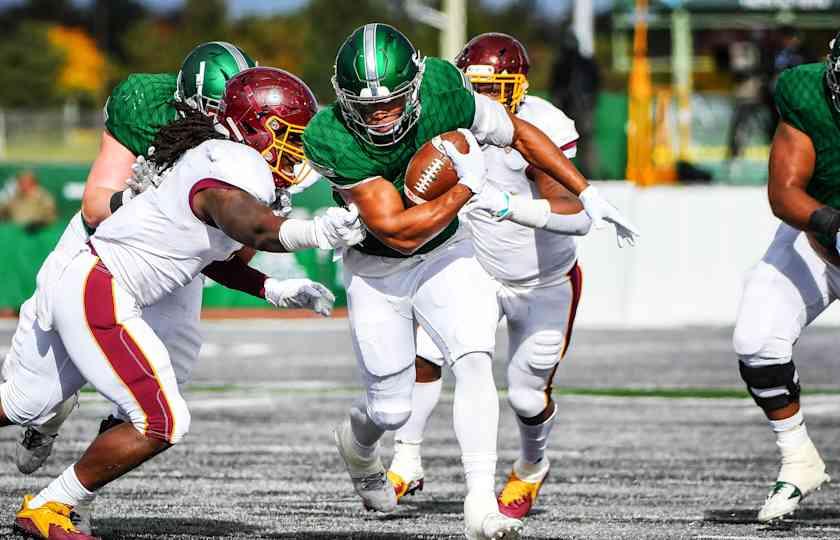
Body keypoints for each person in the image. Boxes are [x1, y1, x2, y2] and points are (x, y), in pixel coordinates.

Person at [303, 23, 637, 540]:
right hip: (378, 265)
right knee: (390, 406)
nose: (382, 115)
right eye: (367, 107)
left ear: (416, 85)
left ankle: (480, 503)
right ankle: (359, 445)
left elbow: (518, 132)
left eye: (393, 101)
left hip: (454, 253)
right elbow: (397, 233)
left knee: (474, 356)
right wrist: (469, 189)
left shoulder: (442, 90)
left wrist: (587, 193)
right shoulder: (328, 135)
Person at [3, 66, 363, 540]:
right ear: (254, 129)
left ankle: (56, 502)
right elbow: (249, 226)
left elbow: (202, 256)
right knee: (161, 419)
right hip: (102, 288)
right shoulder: (231, 164)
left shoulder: (219, 160)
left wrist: (271, 289)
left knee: (23, 401)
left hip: (95, 284)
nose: (298, 153)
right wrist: (313, 232)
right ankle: (51, 506)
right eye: (290, 137)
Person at [12, 41, 263, 484]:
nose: (228, 127)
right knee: (29, 400)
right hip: (102, 247)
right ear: (187, 108)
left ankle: (77, 491)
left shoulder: (259, 130)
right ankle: (45, 418)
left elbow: (239, 251)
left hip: (173, 261)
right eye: (215, 116)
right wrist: (146, 197)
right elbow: (93, 207)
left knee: (162, 386)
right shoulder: (144, 103)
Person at [387, 32, 590, 522]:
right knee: (427, 353)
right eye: (478, 88)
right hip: (474, 266)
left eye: (498, 87)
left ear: (519, 86)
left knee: (525, 394)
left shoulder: (542, 124)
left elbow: (570, 209)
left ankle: (531, 465)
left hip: (543, 279)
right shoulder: (451, 117)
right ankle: (406, 457)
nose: (488, 100)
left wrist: (511, 208)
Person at [732, 33, 840, 522]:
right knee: (757, 341)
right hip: (819, 243)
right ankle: (799, 458)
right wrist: (832, 225)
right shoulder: (805, 91)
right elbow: (785, 192)